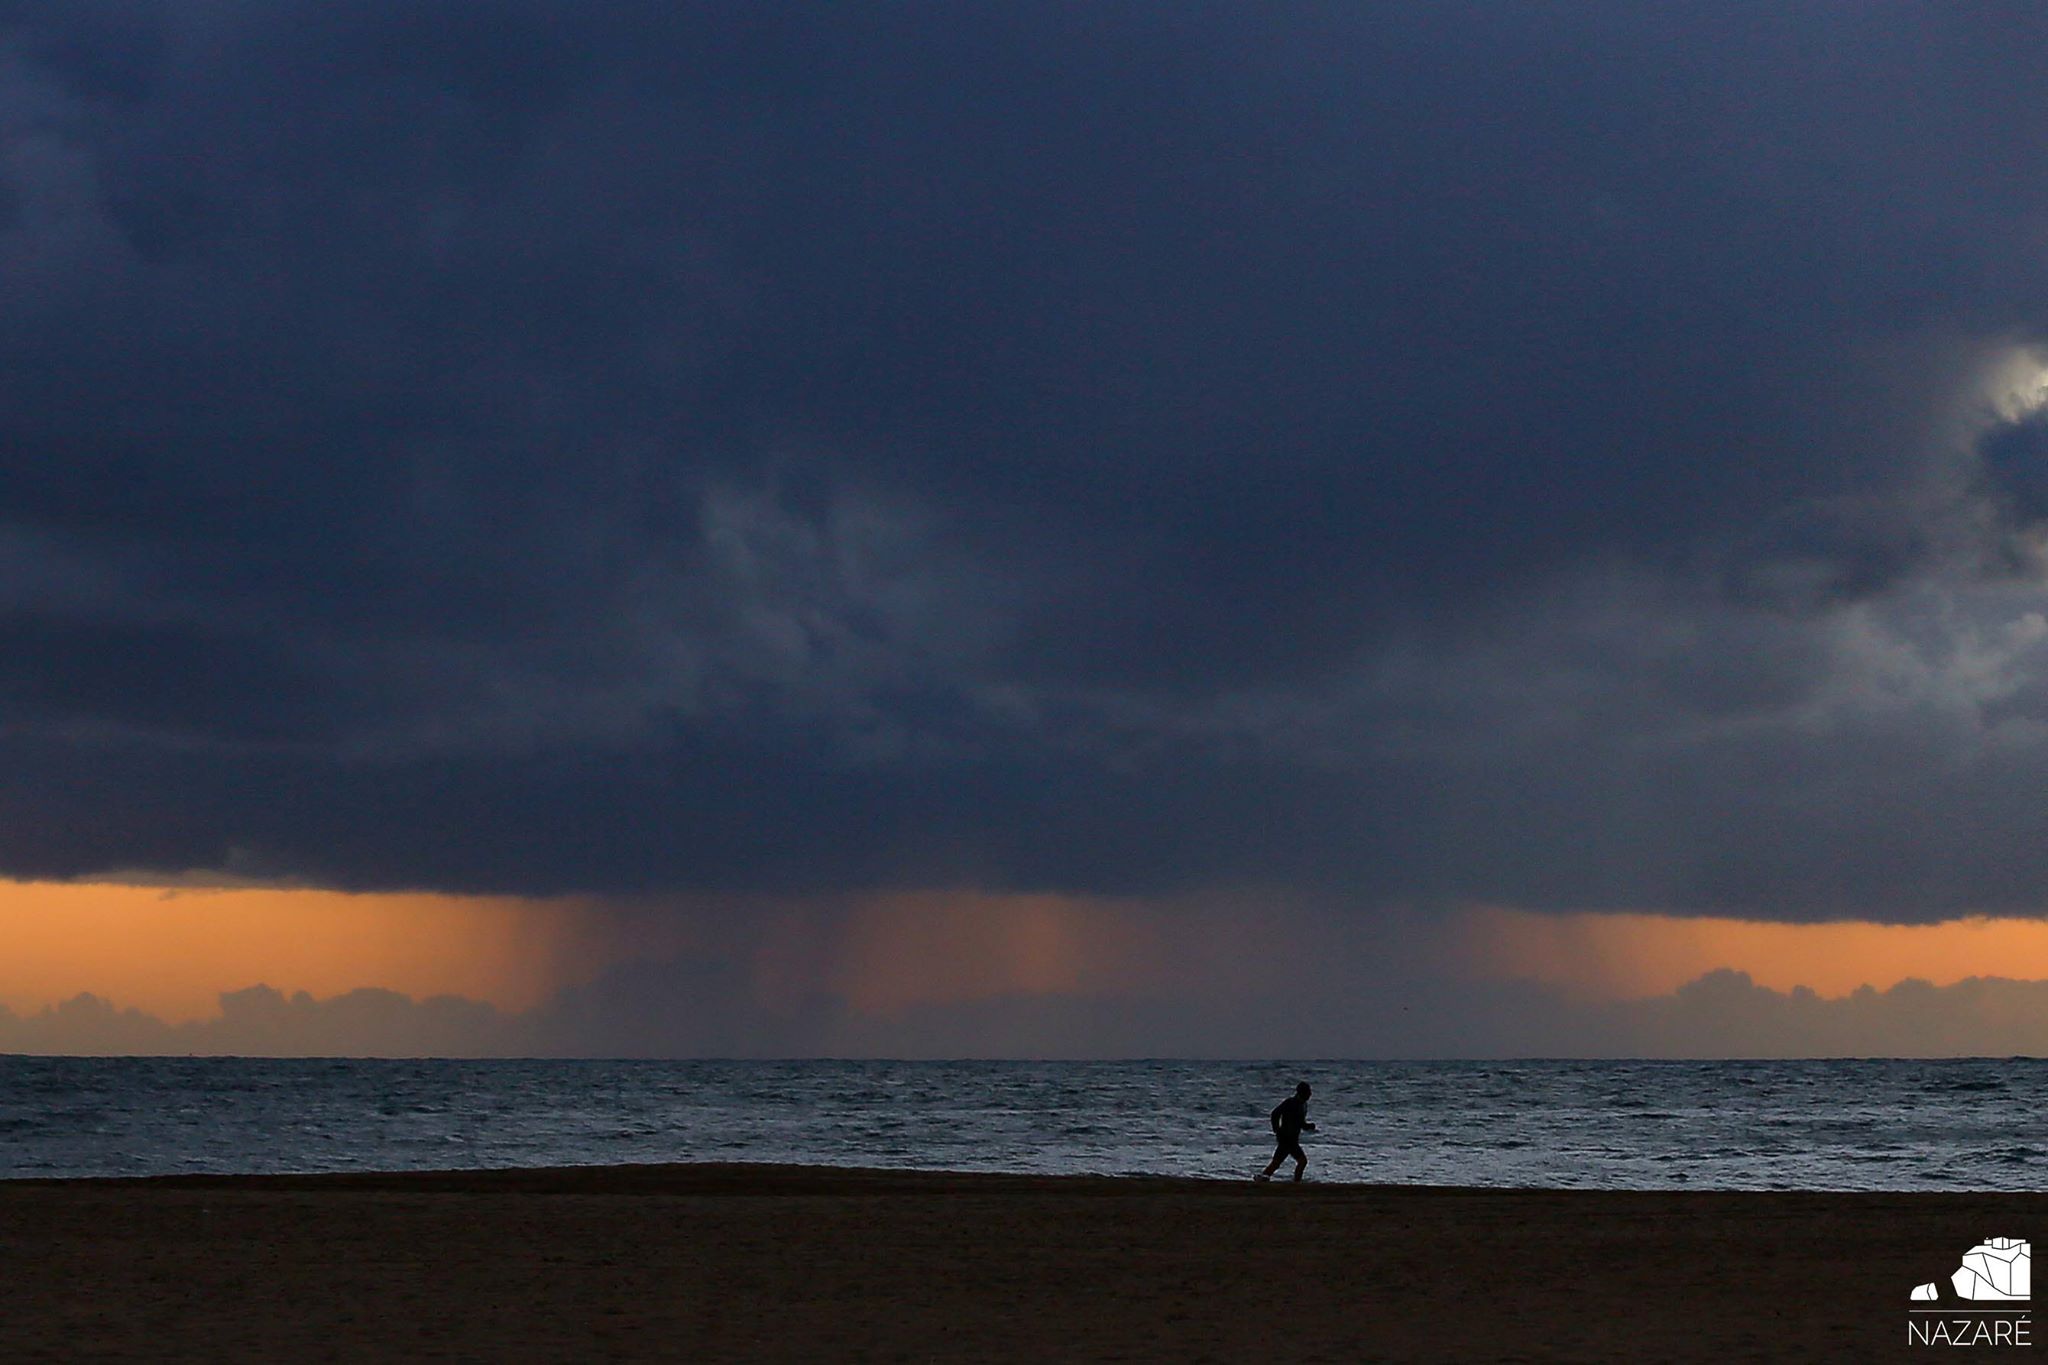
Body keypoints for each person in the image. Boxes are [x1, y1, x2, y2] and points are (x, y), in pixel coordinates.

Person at [1256, 1081, 1316, 1182]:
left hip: (1292, 1139)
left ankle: (1262, 1178)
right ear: (1302, 1093)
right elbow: (1275, 1114)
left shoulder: (1303, 1105)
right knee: (1301, 1161)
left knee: (1277, 1163)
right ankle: (1296, 1182)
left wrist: (1308, 1126)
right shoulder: (1290, 1102)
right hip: (1286, 1138)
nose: (1310, 1094)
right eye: (1308, 1092)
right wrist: (1277, 1129)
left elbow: (1300, 1123)